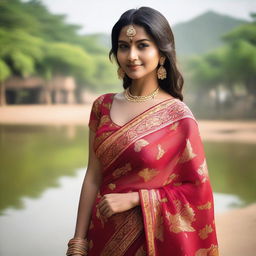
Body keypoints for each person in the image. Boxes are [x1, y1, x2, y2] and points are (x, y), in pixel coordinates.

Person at [66, 6, 219, 256]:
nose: (131, 55)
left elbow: (197, 190)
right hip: (100, 238)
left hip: (148, 244)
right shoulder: (102, 106)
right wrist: (78, 241)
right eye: (123, 46)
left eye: (142, 45)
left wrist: (138, 199)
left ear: (161, 53)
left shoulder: (178, 117)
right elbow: (93, 177)